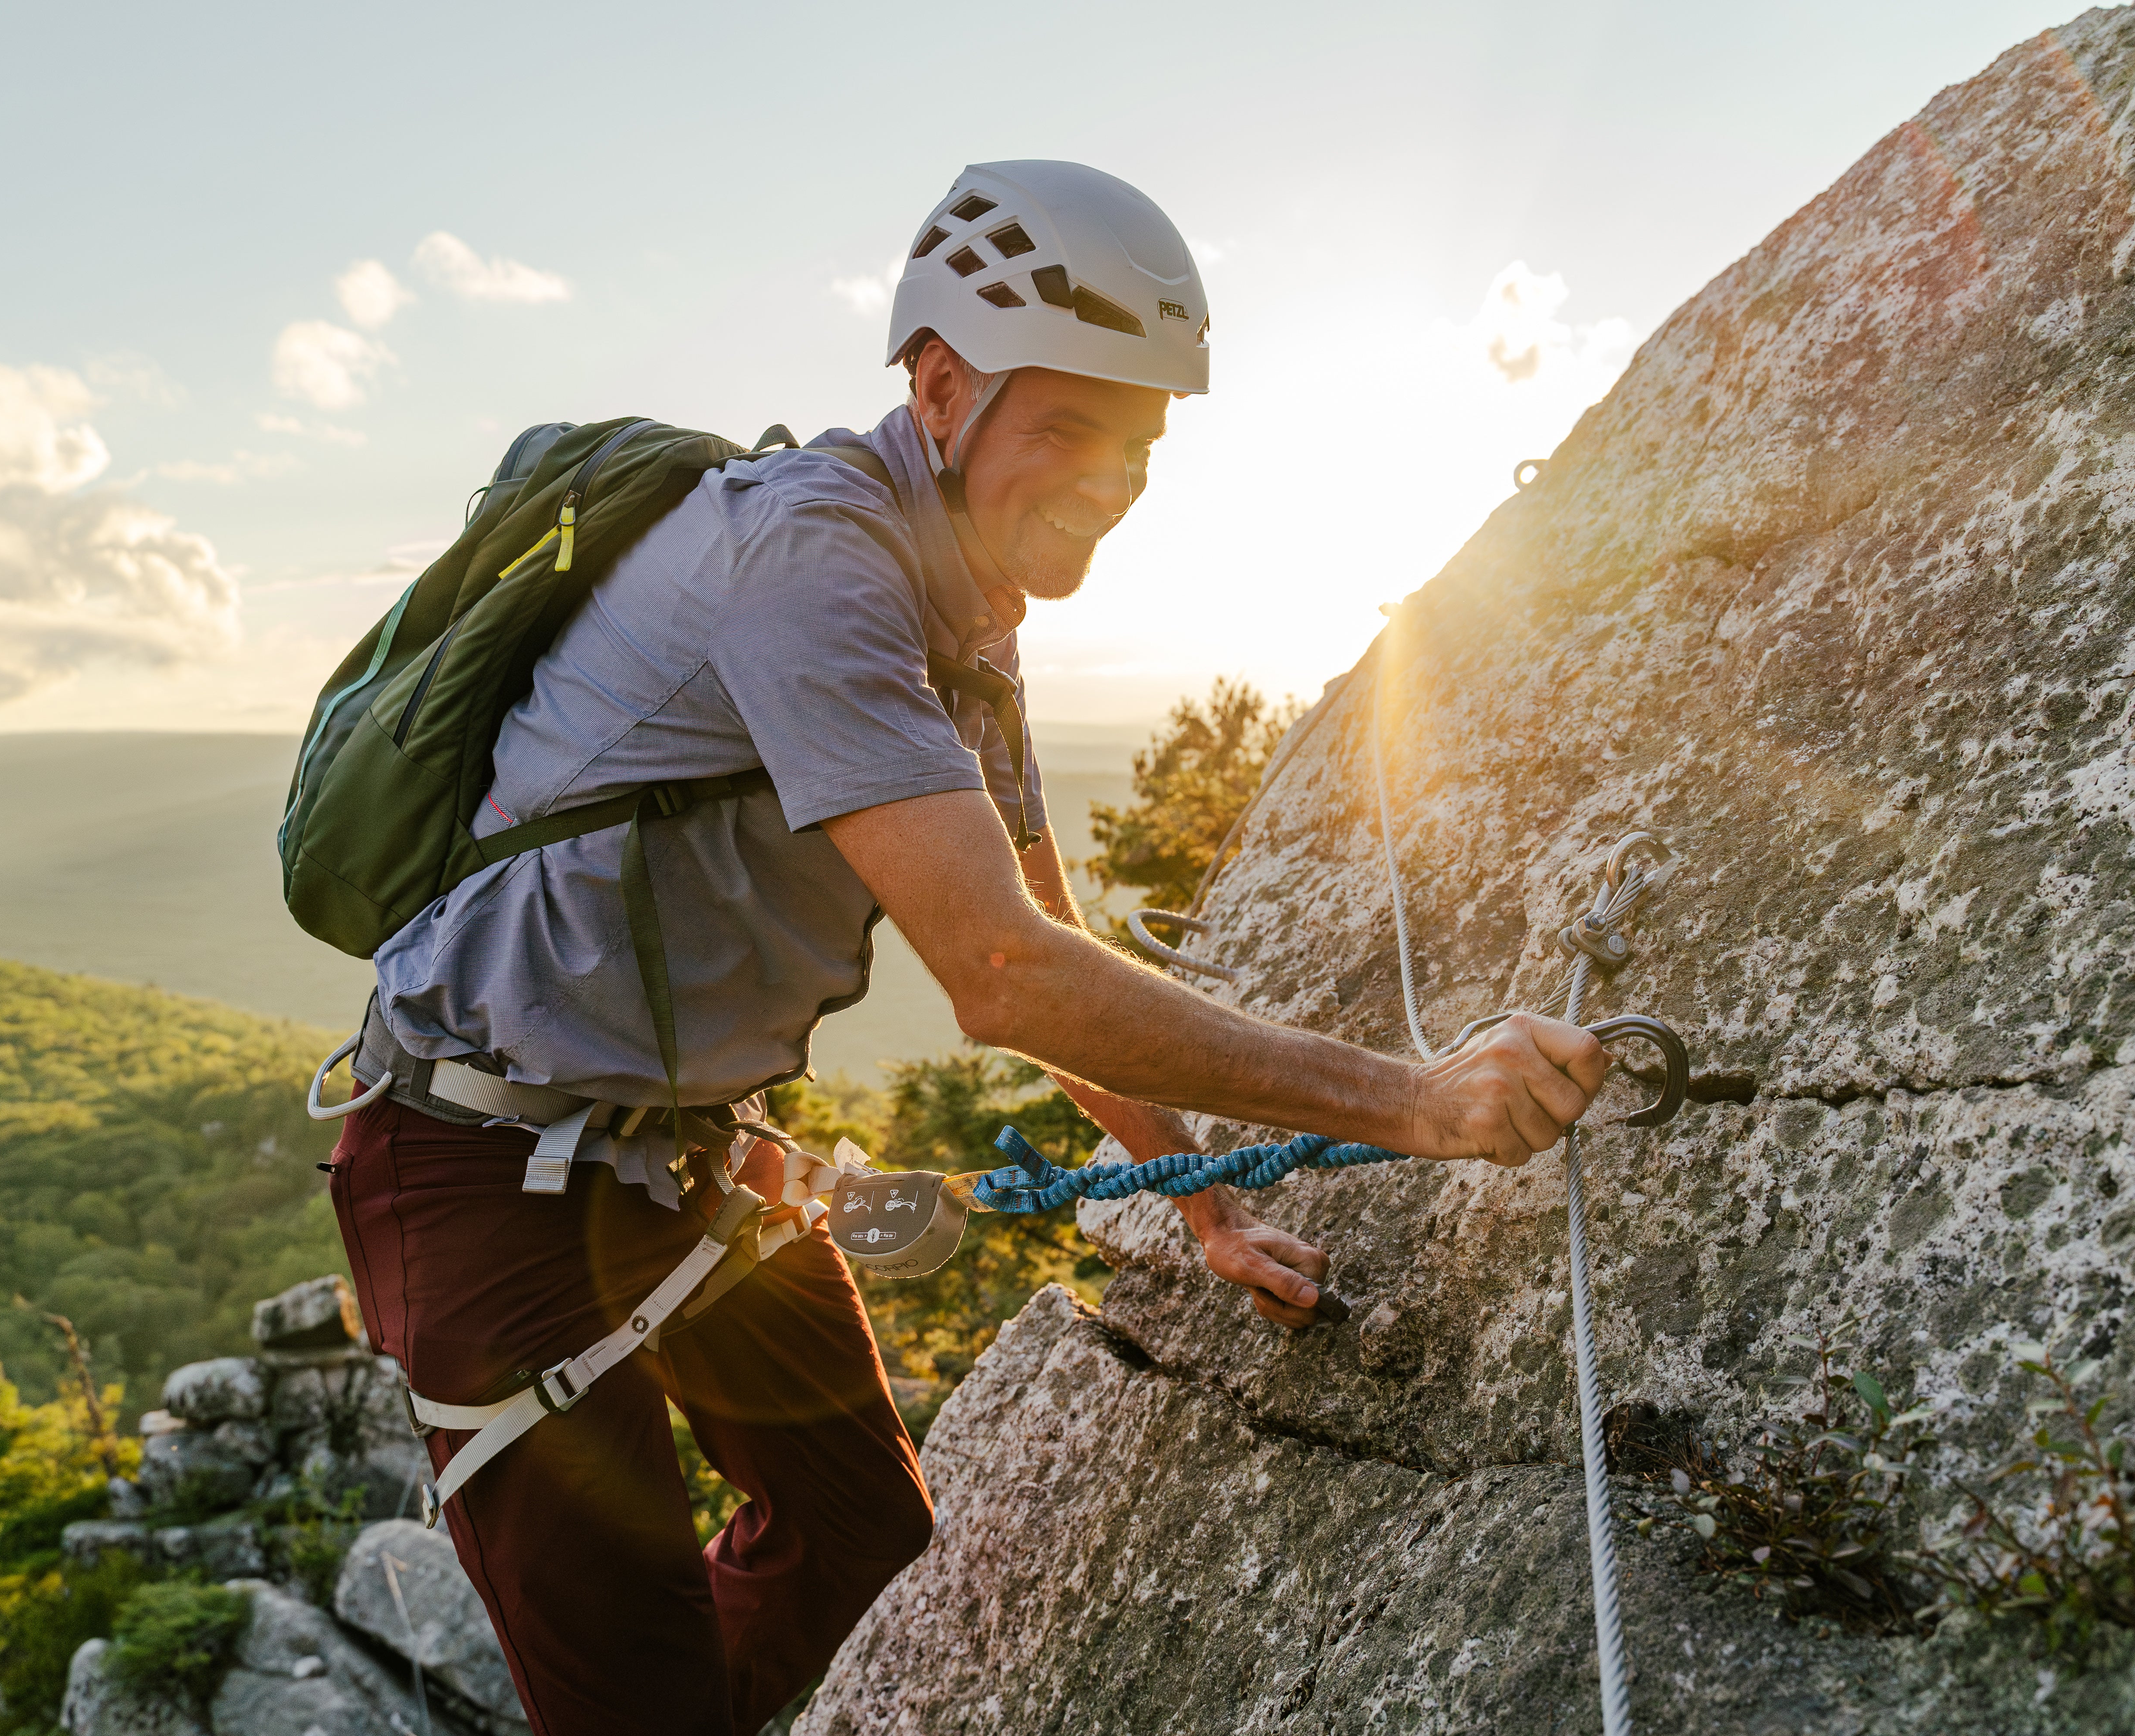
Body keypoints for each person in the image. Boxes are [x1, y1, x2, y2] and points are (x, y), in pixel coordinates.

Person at [323, 160, 1610, 1736]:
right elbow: (999, 977)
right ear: (938, 388)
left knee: (865, 1525)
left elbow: (1046, 934)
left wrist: (1197, 1191)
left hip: (671, 1155)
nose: (1106, 479)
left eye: (1134, 443)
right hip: (473, 1177)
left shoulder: (973, 613)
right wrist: (1416, 1105)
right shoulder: (809, 563)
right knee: (638, 1697)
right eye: (1062, 428)